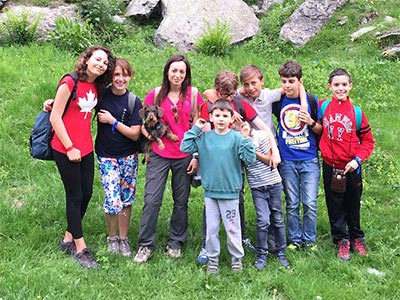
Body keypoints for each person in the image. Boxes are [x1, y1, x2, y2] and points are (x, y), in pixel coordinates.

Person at [197, 70, 281, 263]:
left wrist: (274, 151)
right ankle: (205, 244)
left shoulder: (239, 102)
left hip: (235, 162)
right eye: (223, 95)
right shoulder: (209, 106)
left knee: (238, 198)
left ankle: (240, 237)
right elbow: (208, 136)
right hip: (215, 164)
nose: (227, 98)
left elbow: (264, 127)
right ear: (217, 91)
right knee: (211, 203)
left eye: (231, 94)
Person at [133, 54, 204, 263]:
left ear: (186, 74)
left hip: (185, 155)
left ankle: (176, 242)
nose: (177, 74)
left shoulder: (193, 96)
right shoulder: (155, 95)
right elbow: (143, 124)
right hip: (159, 154)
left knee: (181, 201)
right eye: (174, 70)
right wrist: (151, 140)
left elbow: (201, 126)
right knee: (152, 199)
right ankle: (146, 245)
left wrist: (196, 155)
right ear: (167, 72)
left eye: (182, 71)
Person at [49, 46, 115, 268]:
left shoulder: (97, 86)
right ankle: (80, 248)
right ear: (87, 59)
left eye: (105, 62)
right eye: (97, 59)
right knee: (75, 195)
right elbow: (55, 117)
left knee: (87, 193)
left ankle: (68, 238)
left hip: (86, 147)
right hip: (65, 147)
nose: (101, 64)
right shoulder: (70, 81)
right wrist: (69, 147)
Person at [181, 99, 256, 275]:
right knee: (212, 229)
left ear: (231, 119)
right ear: (211, 118)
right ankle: (212, 259)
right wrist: (196, 128)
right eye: (217, 115)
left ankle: (236, 258)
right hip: (211, 193)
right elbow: (185, 146)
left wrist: (246, 139)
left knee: (232, 228)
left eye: (225, 116)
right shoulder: (204, 138)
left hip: (230, 193)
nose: (221, 119)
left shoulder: (237, 138)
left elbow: (249, 159)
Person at [319, 68, 374, 261]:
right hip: (330, 166)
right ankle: (341, 240)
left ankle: (356, 237)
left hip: (352, 167)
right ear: (329, 87)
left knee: (353, 203)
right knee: (334, 204)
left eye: (344, 84)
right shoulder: (323, 107)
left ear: (350, 86)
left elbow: (368, 142)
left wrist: (357, 160)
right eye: (336, 85)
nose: (340, 88)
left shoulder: (357, 113)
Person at [95, 58, 142, 257]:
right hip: (107, 156)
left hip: (128, 156)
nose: (120, 79)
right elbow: (79, 104)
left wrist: (113, 122)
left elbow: (134, 134)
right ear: (110, 77)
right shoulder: (101, 96)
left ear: (130, 76)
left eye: (124, 75)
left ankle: (123, 239)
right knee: (112, 198)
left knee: (126, 199)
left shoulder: (133, 101)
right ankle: (111, 238)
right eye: (116, 75)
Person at [276, 61, 322, 251]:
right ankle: (295, 239)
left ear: (300, 82)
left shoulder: (311, 100)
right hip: (287, 160)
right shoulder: (278, 101)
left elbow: (320, 129)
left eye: (291, 81)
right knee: (292, 202)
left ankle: (309, 239)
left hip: (309, 159)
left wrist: (310, 121)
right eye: (284, 81)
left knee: (310, 202)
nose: (287, 85)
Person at [243, 125, 290, 270]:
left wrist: (253, 150)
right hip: (257, 187)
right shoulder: (238, 142)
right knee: (263, 220)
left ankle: (281, 252)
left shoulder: (261, 136)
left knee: (277, 218)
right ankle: (261, 254)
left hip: (273, 184)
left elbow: (270, 160)